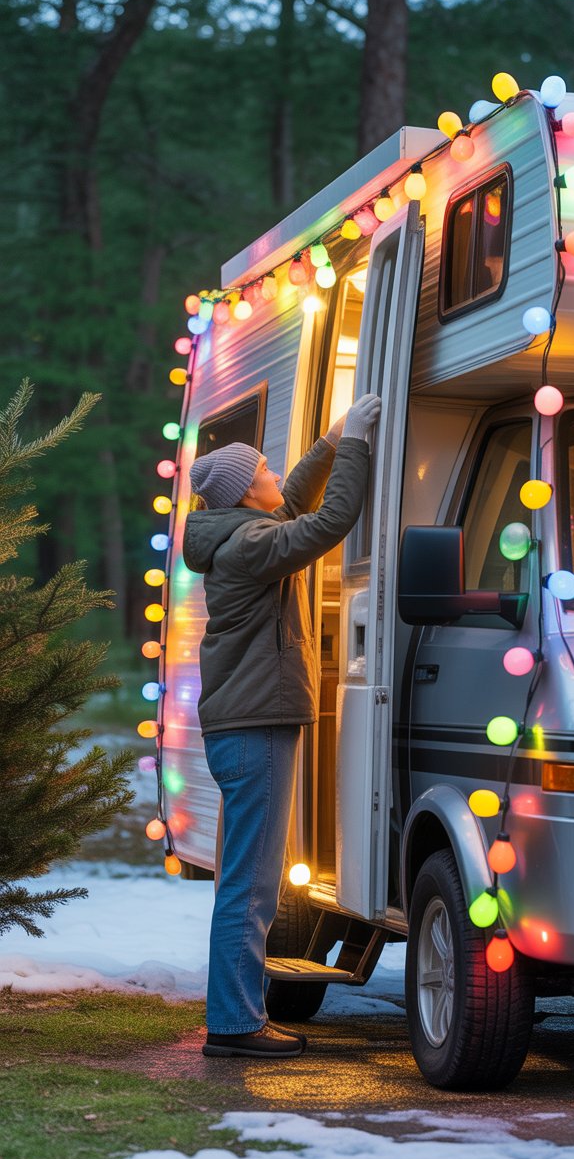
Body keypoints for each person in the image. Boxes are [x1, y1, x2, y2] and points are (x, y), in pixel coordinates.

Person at [183, 393, 381, 1058]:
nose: (273, 473)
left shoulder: (240, 534)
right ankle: (236, 1026)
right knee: (250, 883)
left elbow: (292, 503)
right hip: (255, 725)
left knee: (247, 878)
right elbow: (329, 523)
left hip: (244, 724)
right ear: (245, 494)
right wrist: (353, 445)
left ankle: (233, 1018)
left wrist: (327, 446)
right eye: (263, 469)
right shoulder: (249, 545)